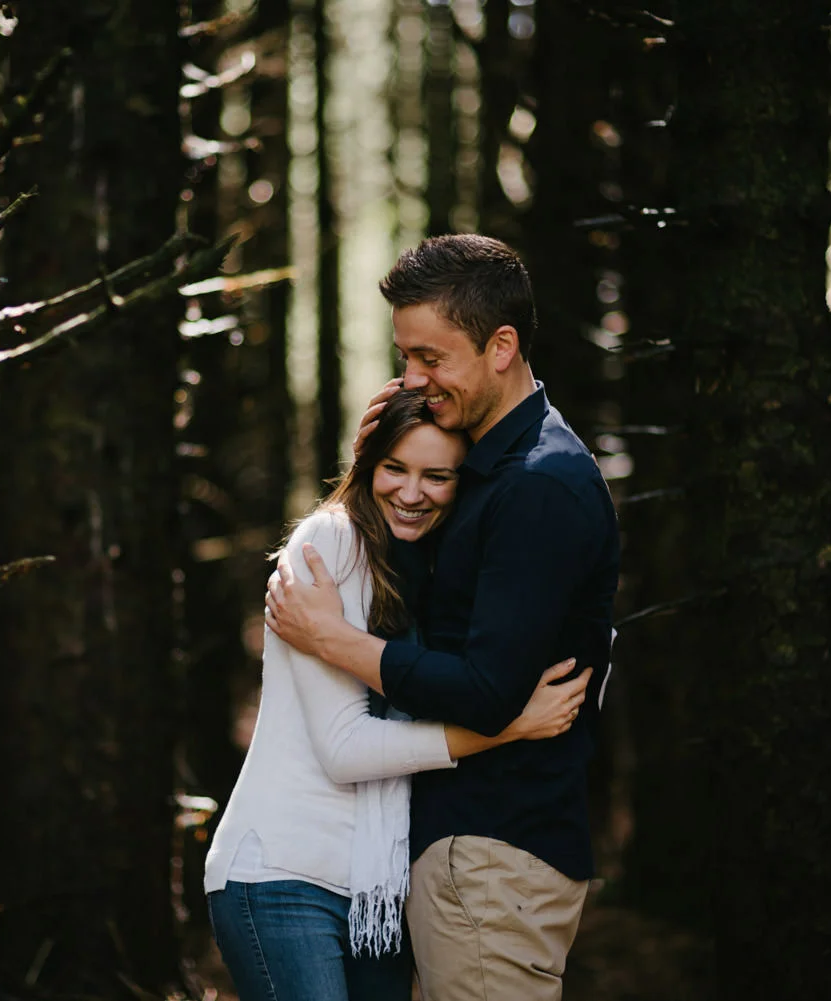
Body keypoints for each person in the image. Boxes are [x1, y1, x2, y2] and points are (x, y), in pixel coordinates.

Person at [264, 234, 620, 1001]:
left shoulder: (540, 484)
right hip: (460, 853)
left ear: (501, 346)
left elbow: (488, 686)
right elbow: (446, 623)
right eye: (406, 357)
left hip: (494, 852)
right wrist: (377, 480)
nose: (412, 379)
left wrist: (333, 638)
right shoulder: (486, 470)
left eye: (431, 358)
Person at [206, 388, 593, 1001]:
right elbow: (344, 748)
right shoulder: (330, 543)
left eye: (436, 476)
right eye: (395, 468)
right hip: (283, 875)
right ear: (367, 466)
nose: (412, 493)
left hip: (375, 894)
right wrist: (506, 727)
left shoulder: (419, 563)